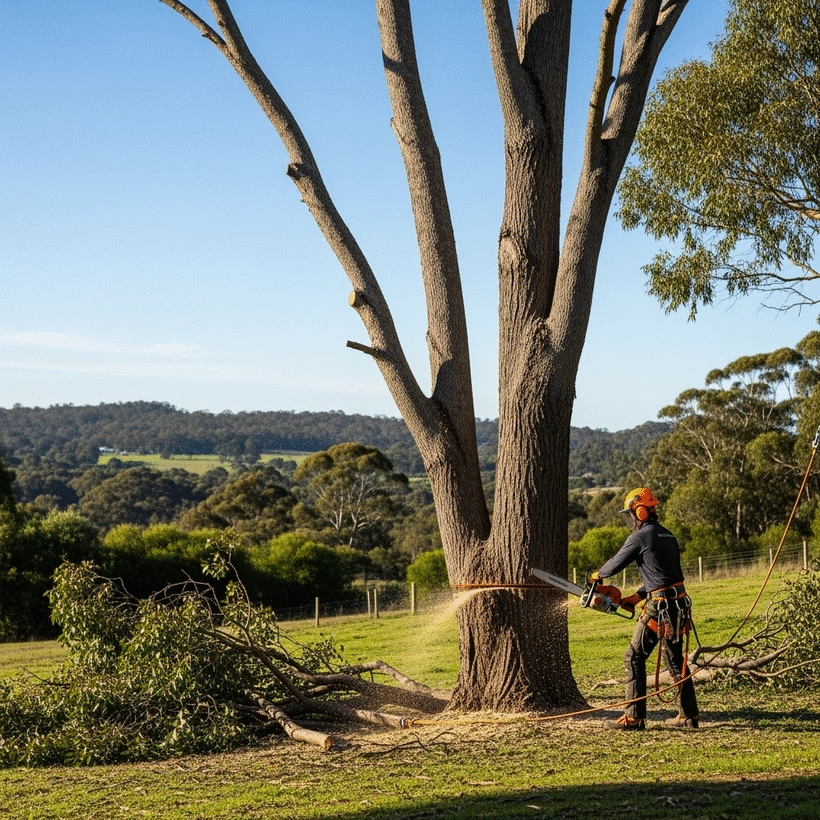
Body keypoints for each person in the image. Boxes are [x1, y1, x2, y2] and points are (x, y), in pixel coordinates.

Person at [593, 487, 699, 731]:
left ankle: (634, 717)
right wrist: (635, 596)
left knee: (634, 657)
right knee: (676, 661)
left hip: (660, 607)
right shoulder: (667, 535)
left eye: (631, 513)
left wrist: (596, 576)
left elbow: (615, 563)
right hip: (678, 604)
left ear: (639, 511)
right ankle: (688, 715)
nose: (630, 519)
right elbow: (663, 576)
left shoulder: (641, 536)